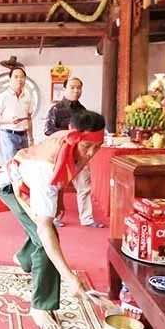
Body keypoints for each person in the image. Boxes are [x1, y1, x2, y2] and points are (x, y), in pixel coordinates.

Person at [0, 110, 106, 328]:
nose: (92, 153)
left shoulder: (71, 141)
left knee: (43, 231)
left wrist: (59, 199)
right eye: (87, 147)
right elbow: (45, 227)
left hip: (29, 180)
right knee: (46, 240)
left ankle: (23, 259)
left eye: (97, 146)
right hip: (11, 187)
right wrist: (68, 276)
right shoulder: (46, 168)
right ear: (75, 140)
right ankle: (40, 306)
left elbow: (67, 172)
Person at [44, 76, 104, 228]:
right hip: (62, 153)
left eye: (79, 87)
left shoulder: (83, 110)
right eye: (72, 87)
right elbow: (48, 130)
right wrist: (70, 135)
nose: (76, 90)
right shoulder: (56, 109)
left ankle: (87, 219)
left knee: (84, 186)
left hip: (80, 154)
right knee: (57, 186)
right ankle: (54, 217)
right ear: (65, 89)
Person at [0, 65, 34, 161]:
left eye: (22, 77)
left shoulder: (28, 96)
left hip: (24, 136)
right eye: (16, 76)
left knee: (24, 164)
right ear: (10, 79)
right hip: (8, 135)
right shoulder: (3, 97)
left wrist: (31, 138)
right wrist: (10, 121)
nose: (19, 79)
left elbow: (29, 118)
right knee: (11, 165)